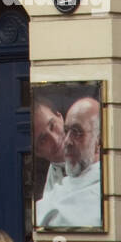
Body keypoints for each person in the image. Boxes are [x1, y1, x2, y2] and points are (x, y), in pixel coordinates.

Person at [35, 95, 101, 229]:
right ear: (38, 152)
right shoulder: (54, 189)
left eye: (76, 132)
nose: (65, 141)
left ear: (98, 140)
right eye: (43, 140)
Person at [33, 93, 66, 204]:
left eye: (52, 126)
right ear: (38, 153)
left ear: (60, 117)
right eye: (43, 140)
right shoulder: (48, 199)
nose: (55, 140)